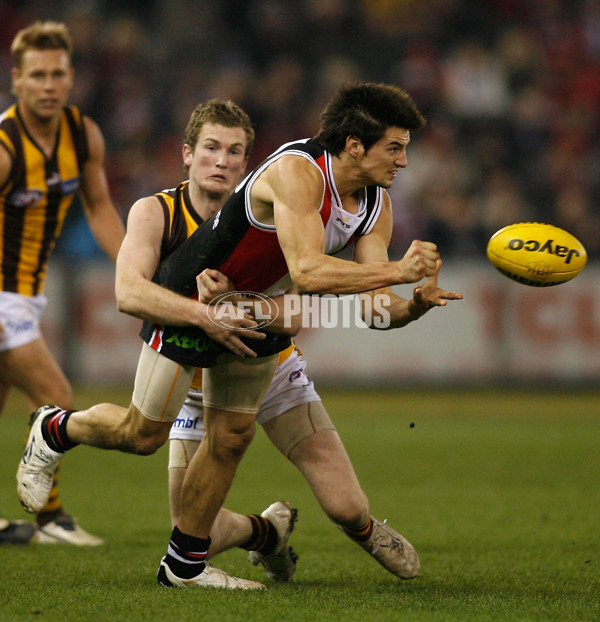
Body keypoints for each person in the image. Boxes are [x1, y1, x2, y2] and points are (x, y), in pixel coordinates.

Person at [17, 83, 462, 588]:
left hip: (257, 321)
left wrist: (414, 306)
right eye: (396, 147)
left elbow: (374, 308)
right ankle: (55, 429)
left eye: (234, 151)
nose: (404, 161)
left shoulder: (375, 204)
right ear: (356, 144)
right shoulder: (297, 172)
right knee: (141, 436)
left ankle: (182, 570)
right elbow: (311, 273)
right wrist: (399, 272)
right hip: (192, 305)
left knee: (232, 438)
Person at [0, 21, 125, 545]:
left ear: (71, 77)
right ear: (17, 80)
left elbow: (98, 207)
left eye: (58, 74)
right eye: (38, 75)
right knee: (55, 395)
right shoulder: (5, 148)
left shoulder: (82, 134)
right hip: (2, 296)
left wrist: (132, 269)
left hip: (28, 293)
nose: (49, 85)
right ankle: (51, 519)